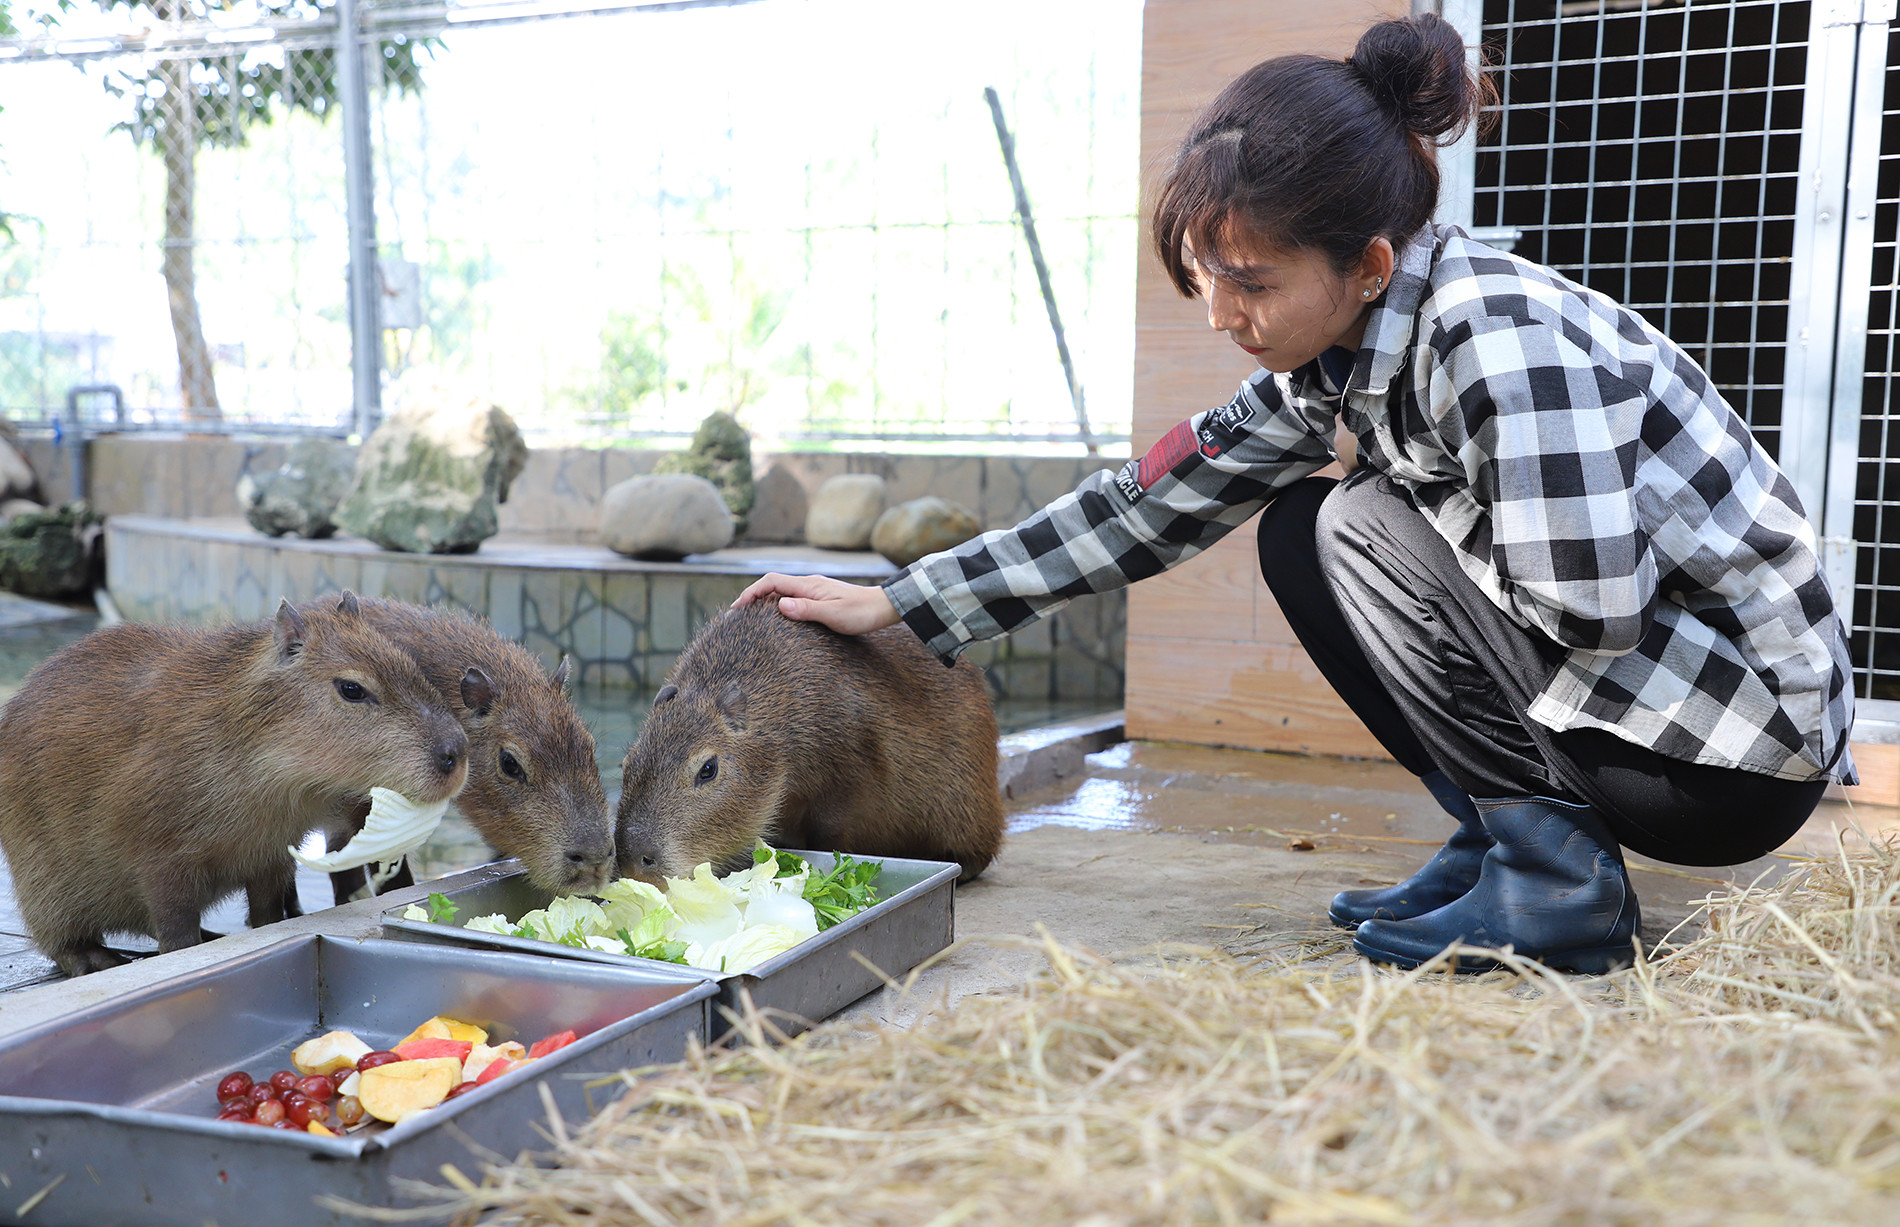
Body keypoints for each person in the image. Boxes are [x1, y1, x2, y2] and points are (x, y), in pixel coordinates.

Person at [735, 13, 1856, 974]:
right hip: (1642, 709)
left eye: (1251, 283)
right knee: (1298, 529)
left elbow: (1593, 607)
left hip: (1728, 752)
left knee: (1358, 523)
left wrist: (1409, 509)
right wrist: (904, 605)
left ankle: (1557, 880)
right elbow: (1144, 504)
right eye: (1204, 279)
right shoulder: (1334, 362)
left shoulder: (1495, 342)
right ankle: (1502, 839)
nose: (1222, 315)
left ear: (1367, 265)